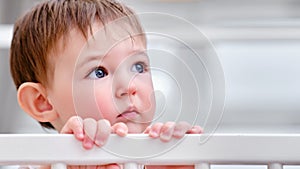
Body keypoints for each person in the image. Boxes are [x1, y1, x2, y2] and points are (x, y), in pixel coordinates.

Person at [10, 0, 202, 168]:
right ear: (43, 101)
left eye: (138, 67)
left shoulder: (161, 157)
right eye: (99, 72)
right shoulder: (38, 164)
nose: (129, 87)